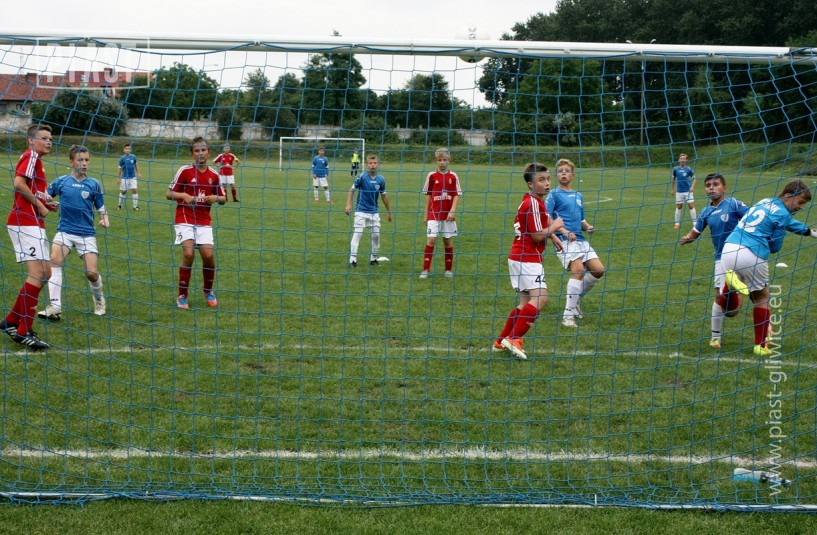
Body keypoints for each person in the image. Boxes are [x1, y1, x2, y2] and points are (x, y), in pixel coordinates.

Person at [720, 179, 816, 357]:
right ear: (788, 196)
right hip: (751, 254)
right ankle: (761, 345)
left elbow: (784, 221)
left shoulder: (765, 201)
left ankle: (728, 288)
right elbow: (774, 247)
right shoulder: (783, 215)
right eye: (800, 202)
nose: (801, 207)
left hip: (729, 249)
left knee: (730, 312)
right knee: (762, 297)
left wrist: (807, 231)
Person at [493, 163, 564, 360]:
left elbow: (537, 226)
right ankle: (514, 339)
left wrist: (553, 236)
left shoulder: (533, 201)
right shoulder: (533, 203)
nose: (547, 183)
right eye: (541, 180)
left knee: (525, 303)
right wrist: (556, 226)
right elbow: (537, 235)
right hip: (527, 257)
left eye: (548, 179)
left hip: (519, 256)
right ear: (530, 184)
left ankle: (500, 341)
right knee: (541, 298)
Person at [0, 124, 58, 350]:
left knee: (46, 272)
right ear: (31, 141)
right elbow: (18, 183)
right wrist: (39, 206)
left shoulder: (37, 161)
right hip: (24, 222)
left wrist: (45, 203)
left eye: (50, 138)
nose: (49, 142)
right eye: (44, 138)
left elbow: (32, 189)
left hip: (32, 222)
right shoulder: (31, 155)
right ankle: (24, 331)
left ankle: (10, 321)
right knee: (38, 273)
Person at [38, 145, 110, 321]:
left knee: (91, 273)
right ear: (71, 162)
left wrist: (104, 219)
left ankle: (99, 300)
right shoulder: (61, 181)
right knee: (54, 260)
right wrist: (48, 202)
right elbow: (45, 196)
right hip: (65, 231)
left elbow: (101, 207)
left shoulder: (93, 184)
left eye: (86, 160)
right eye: (80, 160)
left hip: (86, 234)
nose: (84, 163)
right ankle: (55, 306)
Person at [679, 173, 748, 349]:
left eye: (716, 184)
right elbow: (695, 233)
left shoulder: (734, 204)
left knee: (733, 307)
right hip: (721, 258)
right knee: (727, 308)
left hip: (741, 255)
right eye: (708, 185)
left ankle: (733, 288)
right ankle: (715, 337)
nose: (711, 187)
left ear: (724, 188)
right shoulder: (706, 212)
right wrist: (686, 238)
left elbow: (753, 219)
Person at [166, 137, 227, 309]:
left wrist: (215, 198)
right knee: (188, 254)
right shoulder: (184, 171)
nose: (200, 153)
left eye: (203, 150)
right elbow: (169, 193)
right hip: (184, 217)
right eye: (197, 151)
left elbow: (224, 198)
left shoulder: (214, 175)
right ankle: (182, 295)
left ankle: (208, 291)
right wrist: (183, 196)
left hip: (203, 220)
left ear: (209, 153)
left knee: (208, 256)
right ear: (192, 154)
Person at [545, 158, 605, 327]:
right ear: (556, 175)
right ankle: (568, 316)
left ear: (573, 175)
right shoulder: (553, 195)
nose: (563, 174)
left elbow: (581, 219)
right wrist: (564, 231)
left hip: (580, 240)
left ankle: (576, 299)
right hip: (563, 240)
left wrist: (588, 226)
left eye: (567, 171)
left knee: (598, 270)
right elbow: (547, 217)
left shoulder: (579, 196)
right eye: (560, 171)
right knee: (578, 270)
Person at [419, 148, 462, 279]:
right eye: (440, 160)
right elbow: (428, 195)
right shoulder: (431, 175)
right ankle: (425, 270)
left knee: (447, 241)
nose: (442, 162)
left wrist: (452, 210)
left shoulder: (453, 176)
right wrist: (426, 213)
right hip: (434, 213)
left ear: (449, 160)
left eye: (445, 160)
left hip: (448, 215)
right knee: (431, 240)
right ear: (436, 161)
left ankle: (448, 270)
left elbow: (456, 194)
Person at [345, 154, 392, 267]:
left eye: (375, 163)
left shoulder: (381, 179)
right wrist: (348, 204)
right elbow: (351, 190)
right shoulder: (362, 177)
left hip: (374, 212)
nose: (373, 165)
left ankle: (373, 258)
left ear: (378, 164)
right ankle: (352, 260)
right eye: (370, 163)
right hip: (361, 211)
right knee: (358, 234)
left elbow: (384, 196)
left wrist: (389, 212)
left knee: (376, 235)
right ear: (367, 165)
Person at [671, 153, 697, 229]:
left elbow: (695, 178)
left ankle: (695, 223)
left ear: (686, 160)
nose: (682, 160)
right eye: (681, 158)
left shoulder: (688, 169)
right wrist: (672, 189)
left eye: (684, 159)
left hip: (688, 192)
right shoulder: (675, 169)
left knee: (691, 206)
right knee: (679, 207)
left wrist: (692, 187)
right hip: (679, 192)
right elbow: (673, 178)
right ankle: (677, 223)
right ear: (679, 160)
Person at [117, 142, 141, 210]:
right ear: (124, 150)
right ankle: (120, 205)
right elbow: (120, 168)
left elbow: (136, 164)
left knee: (134, 190)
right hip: (125, 178)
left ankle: (135, 206)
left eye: (129, 149)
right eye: (126, 149)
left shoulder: (133, 157)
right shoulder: (122, 158)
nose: (128, 150)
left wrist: (138, 173)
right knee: (123, 191)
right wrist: (118, 178)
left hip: (133, 177)